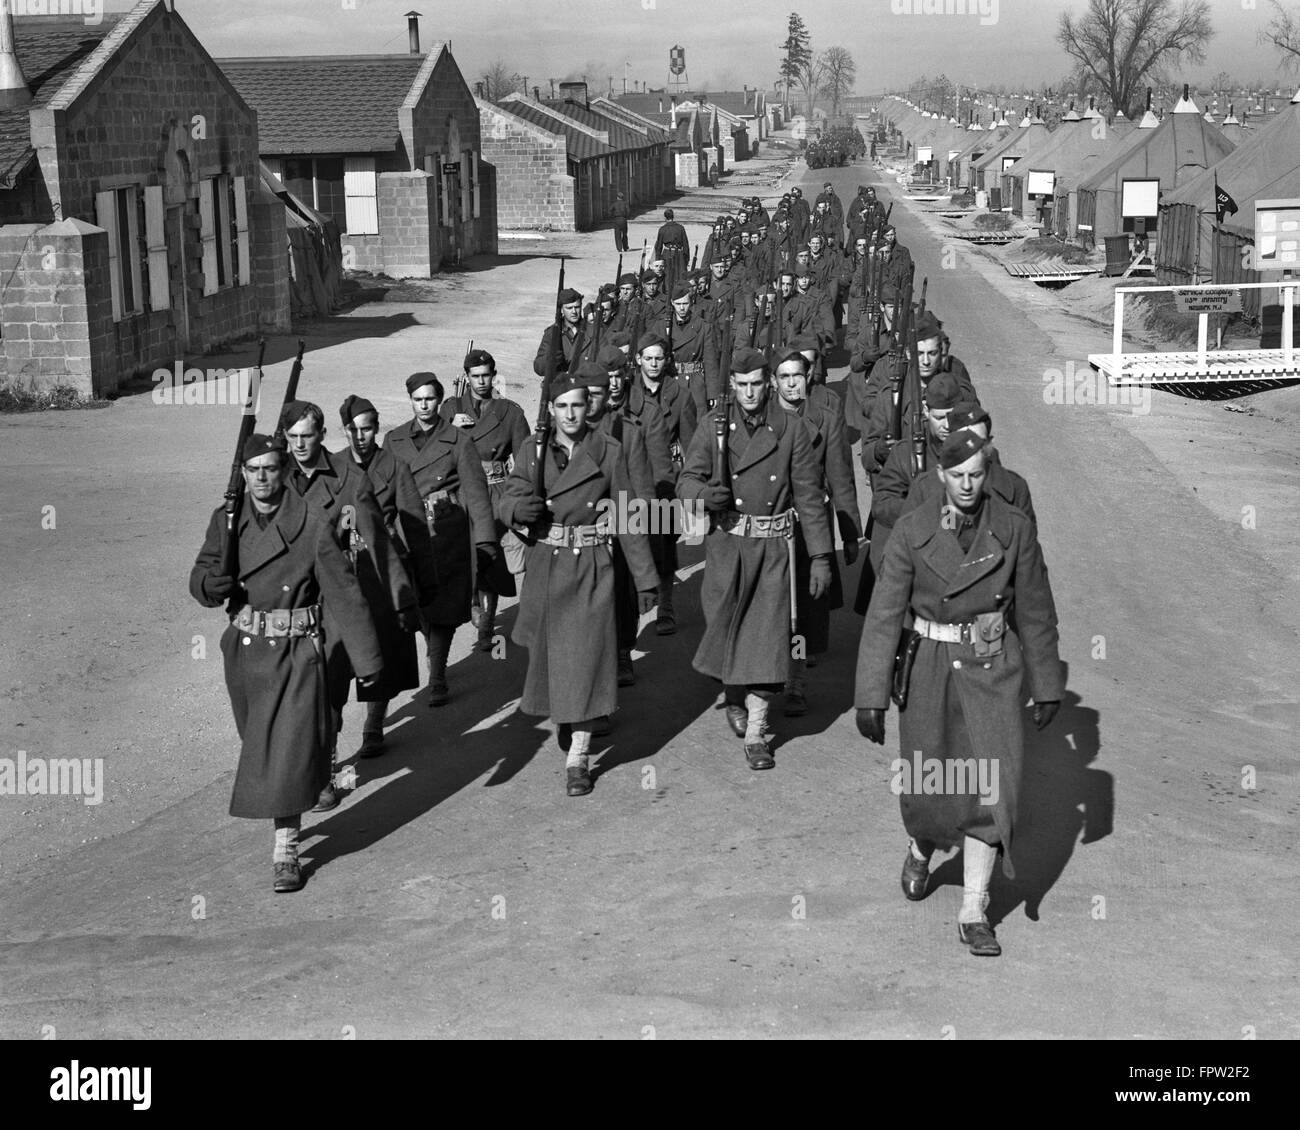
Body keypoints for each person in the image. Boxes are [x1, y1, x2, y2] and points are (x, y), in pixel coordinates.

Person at [855, 430, 1064, 957]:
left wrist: (1046, 685)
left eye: (977, 474)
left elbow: (1036, 610)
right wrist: (871, 695)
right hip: (929, 668)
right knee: (930, 789)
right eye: (958, 476)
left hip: (991, 670)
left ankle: (975, 909)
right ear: (941, 476)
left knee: (989, 790)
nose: (968, 485)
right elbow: (884, 615)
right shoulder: (912, 530)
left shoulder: (1013, 530)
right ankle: (922, 847)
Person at [190, 434, 382, 893]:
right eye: (252, 469)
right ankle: (309, 784)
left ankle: (286, 849)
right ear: (243, 473)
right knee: (263, 746)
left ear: (284, 472)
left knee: (286, 750)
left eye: (270, 469)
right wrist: (211, 584)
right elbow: (201, 575)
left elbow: (343, 591)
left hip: (297, 653)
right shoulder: (227, 520)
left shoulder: (313, 524)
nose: (261, 478)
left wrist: (367, 659)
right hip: (247, 653)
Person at [496, 370, 658, 796]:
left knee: (587, 658)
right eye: (562, 405)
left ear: (590, 407)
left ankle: (579, 758)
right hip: (548, 565)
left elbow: (628, 514)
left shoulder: (609, 449)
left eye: (578, 405)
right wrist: (519, 508)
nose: (571, 413)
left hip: (590, 565)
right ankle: (570, 717)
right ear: (551, 409)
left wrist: (645, 578)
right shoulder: (533, 450)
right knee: (552, 659)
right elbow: (507, 496)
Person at [676, 347, 833, 770]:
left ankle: (757, 732)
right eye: (742, 385)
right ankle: (732, 693)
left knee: (767, 638)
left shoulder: (792, 429)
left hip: (774, 549)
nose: (749, 392)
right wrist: (702, 496)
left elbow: (809, 496)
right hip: (728, 547)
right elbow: (686, 479)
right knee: (726, 630)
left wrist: (820, 554)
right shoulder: (713, 427)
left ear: (769, 385)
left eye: (757, 384)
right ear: (732, 386)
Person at [281, 400, 417, 810]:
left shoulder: (349, 480)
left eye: (308, 436)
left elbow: (378, 541)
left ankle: (325, 770)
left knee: (332, 685)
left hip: (335, 597)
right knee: (300, 692)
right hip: (290, 603)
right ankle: (313, 764)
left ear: (323, 436)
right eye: (293, 437)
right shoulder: (276, 477)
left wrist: (401, 598)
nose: (301, 444)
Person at [384, 373, 498, 706]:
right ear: (410, 401)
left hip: (448, 531)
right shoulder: (393, 440)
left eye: (430, 398)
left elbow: (476, 492)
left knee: (444, 606)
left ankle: (437, 673)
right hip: (408, 533)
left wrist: (486, 540)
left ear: (440, 400)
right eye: (418, 399)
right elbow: (382, 489)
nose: (424, 405)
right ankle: (433, 655)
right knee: (414, 603)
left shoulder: (458, 440)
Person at [338, 394, 438, 759]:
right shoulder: (332, 469)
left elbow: (416, 528)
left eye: (368, 428)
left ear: (376, 429)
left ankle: (373, 724)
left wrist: (424, 583)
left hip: (383, 572)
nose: (361, 436)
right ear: (344, 431)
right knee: (336, 659)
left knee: (380, 651)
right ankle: (331, 740)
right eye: (354, 430)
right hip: (342, 572)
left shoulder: (395, 468)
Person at [771, 346, 860, 715]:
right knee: (771, 602)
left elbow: (840, 472)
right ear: (775, 381)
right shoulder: (762, 417)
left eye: (798, 375)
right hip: (770, 523)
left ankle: (796, 681)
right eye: (785, 377)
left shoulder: (826, 415)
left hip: (810, 524)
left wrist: (849, 528)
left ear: (808, 377)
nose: (792, 384)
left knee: (804, 607)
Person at [441, 348, 532, 650]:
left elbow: (523, 460)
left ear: (494, 376)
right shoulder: (450, 408)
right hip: (459, 491)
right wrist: (449, 430)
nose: (481, 381)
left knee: (490, 558)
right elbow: (433, 452)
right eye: (475, 377)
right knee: (458, 556)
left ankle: (488, 622)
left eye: (486, 376)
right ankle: (470, 603)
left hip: (494, 489)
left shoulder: (510, 412)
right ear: (466, 378)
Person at [533, 287, 589, 376]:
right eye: (569, 308)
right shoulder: (552, 333)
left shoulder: (590, 330)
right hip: (559, 384)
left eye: (577, 307)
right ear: (562, 310)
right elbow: (538, 367)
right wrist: (551, 359)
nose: (574, 311)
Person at [655, 208, 690, 297]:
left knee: (667, 275)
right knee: (679, 275)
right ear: (673, 216)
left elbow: (658, 246)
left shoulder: (662, 229)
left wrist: (658, 260)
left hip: (667, 254)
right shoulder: (680, 228)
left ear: (665, 217)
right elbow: (686, 245)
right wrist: (686, 259)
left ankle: (668, 293)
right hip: (679, 254)